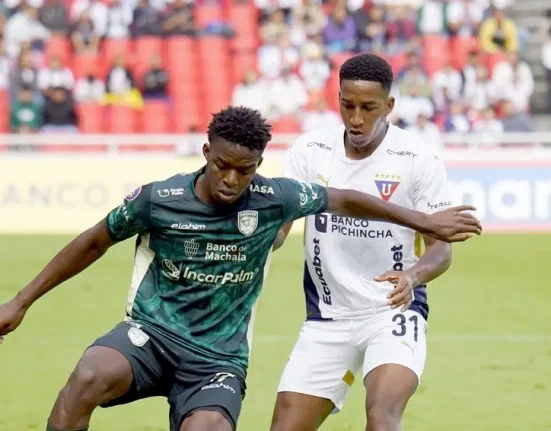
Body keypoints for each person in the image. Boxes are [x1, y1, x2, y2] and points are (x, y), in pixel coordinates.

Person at [0, 107, 481, 431]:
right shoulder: (159, 199)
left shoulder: (276, 197)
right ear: (206, 153)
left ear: (259, 164)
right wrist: (21, 302)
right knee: (87, 376)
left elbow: (347, 199)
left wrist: (422, 221)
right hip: (151, 335)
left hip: (219, 359)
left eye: (245, 170)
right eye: (223, 166)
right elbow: (92, 242)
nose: (232, 179)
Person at [270, 54, 461, 431]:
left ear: (389, 105)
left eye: (368, 108)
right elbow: (278, 232)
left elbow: (441, 249)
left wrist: (413, 276)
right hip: (327, 317)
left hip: (393, 312)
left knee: (381, 416)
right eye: (348, 105)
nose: (356, 119)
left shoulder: (418, 159)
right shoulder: (310, 152)